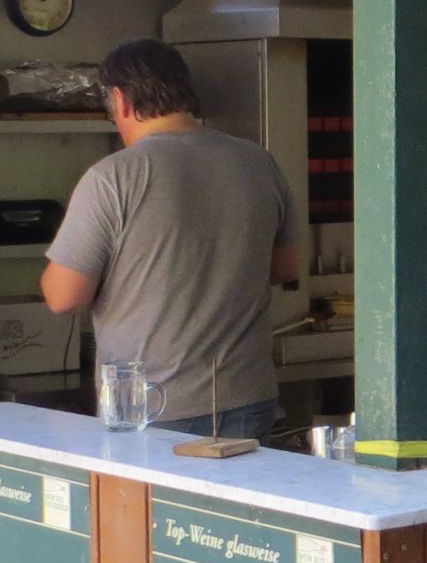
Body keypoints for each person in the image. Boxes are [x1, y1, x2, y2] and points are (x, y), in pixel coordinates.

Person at [40, 37, 299, 439]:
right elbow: (285, 267)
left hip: (155, 407)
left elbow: (64, 297)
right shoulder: (259, 163)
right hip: (248, 397)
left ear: (121, 100)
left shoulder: (113, 176)